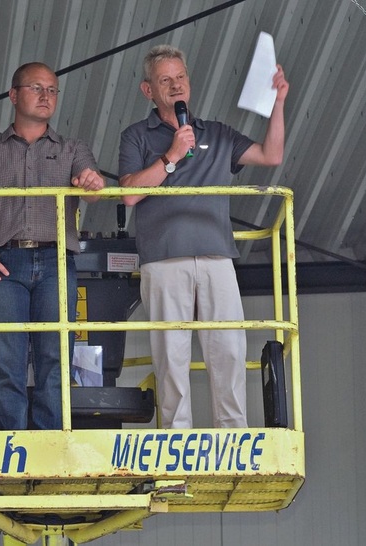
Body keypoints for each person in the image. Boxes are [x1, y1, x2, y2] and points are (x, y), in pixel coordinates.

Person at [118, 45, 289, 429]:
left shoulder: (217, 133)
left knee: (229, 349)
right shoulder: (136, 136)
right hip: (164, 259)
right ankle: (177, 442)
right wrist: (171, 156)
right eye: (165, 80)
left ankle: (233, 437)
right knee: (170, 355)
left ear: (189, 83)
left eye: (180, 77)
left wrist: (278, 102)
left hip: (216, 255)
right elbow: (129, 193)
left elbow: (271, 155)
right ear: (149, 90)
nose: (175, 85)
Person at [0, 62, 105, 430]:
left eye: (52, 90)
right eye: (36, 88)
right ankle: (12, 454)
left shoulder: (73, 149)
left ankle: (50, 451)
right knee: (4, 362)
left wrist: (92, 182)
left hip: (57, 259)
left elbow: (94, 189)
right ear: (13, 95)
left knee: (56, 358)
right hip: (2, 262)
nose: (46, 96)